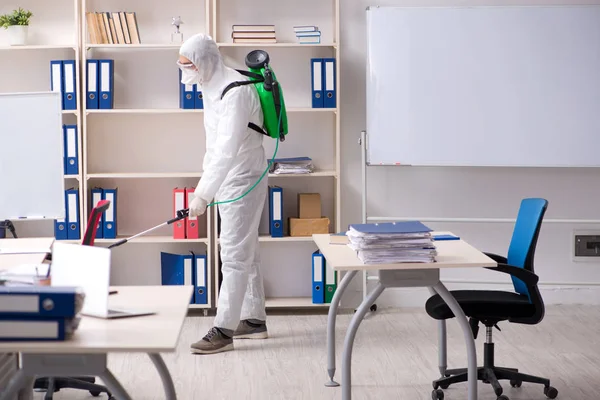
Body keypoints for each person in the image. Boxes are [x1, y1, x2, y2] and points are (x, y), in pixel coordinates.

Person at [178, 34, 269, 354]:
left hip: (243, 178)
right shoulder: (211, 85)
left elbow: (227, 150)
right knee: (247, 250)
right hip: (229, 178)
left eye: (188, 65)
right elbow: (214, 144)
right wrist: (207, 187)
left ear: (204, 61)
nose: (184, 71)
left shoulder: (236, 91)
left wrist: (202, 194)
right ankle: (255, 319)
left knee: (232, 254)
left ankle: (224, 329)